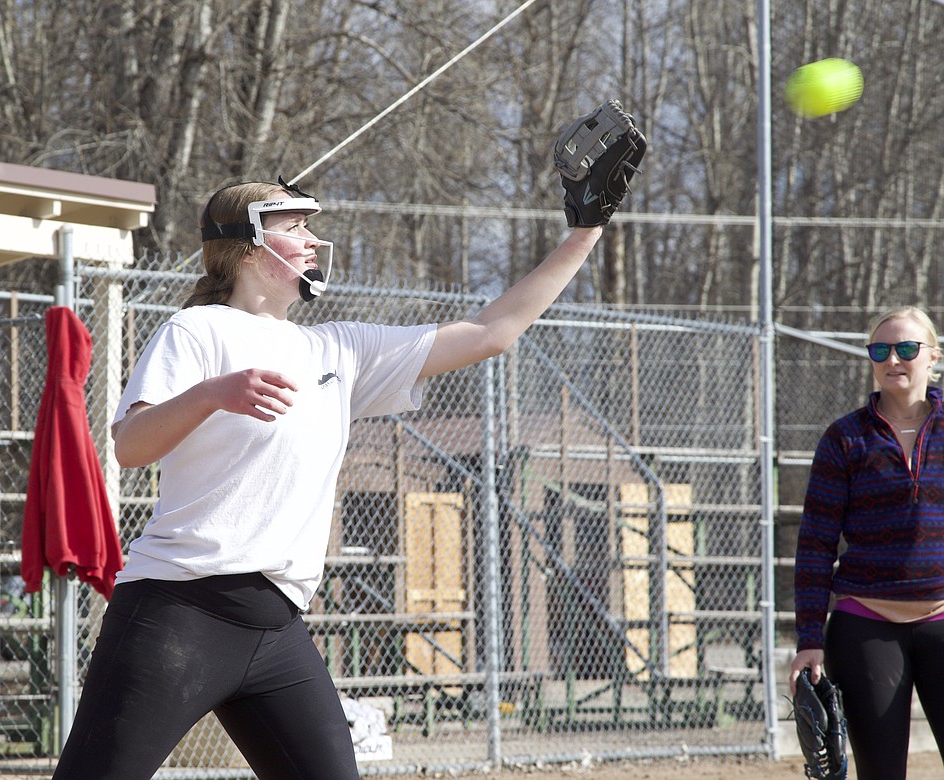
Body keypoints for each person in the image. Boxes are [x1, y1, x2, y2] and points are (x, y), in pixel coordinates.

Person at [49, 166, 621, 778]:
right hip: (177, 613)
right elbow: (132, 444)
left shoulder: (337, 349)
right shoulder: (197, 329)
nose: (311, 239)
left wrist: (584, 232)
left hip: (276, 626)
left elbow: (491, 332)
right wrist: (215, 392)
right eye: (293, 225)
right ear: (248, 245)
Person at [789, 305, 944, 780]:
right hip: (865, 625)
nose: (893, 359)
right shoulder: (845, 438)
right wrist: (809, 638)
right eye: (880, 349)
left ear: (933, 356)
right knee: (880, 772)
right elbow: (816, 542)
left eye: (906, 348)